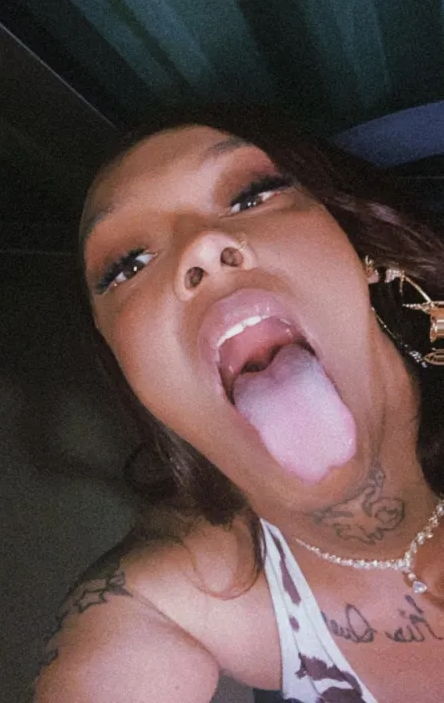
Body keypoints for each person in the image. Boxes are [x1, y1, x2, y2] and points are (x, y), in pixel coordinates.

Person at [34, 105, 444, 703]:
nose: (202, 247)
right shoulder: (159, 600)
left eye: (252, 195)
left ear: (360, 250)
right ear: (130, 372)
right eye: (128, 265)